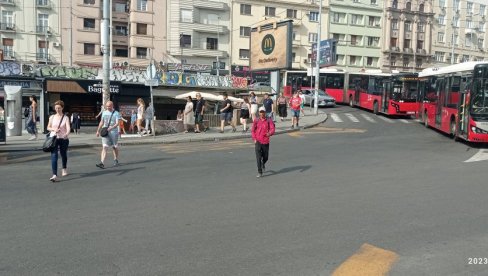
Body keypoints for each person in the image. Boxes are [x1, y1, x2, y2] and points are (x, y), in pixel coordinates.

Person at [46, 100, 71, 182]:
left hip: (63, 139)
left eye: (59, 108)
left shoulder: (66, 117)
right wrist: (54, 129)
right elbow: (48, 127)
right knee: (54, 156)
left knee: (63, 154)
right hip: (54, 138)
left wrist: (66, 134)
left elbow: (68, 128)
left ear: (62, 108)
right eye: (56, 108)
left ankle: (64, 168)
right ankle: (54, 175)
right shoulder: (52, 117)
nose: (57, 109)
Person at [96, 101, 121, 169]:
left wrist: (111, 128)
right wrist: (98, 130)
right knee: (104, 147)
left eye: (109, 106)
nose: (108, 107)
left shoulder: (116, 113)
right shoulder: (104, 112)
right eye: (107, 106)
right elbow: (101, 122)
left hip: (114, 132)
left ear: (112, 105)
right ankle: (102, 163)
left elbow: (117, 123)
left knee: (114, 147)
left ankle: (115, 159)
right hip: (105, 131)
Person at [251, 107, 275, 178]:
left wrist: (269, 133)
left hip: (265, 141)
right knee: (258, 157)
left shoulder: (269, 120)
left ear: (265, 112)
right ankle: (259, 171)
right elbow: (253, 130)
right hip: (258, 141)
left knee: (266, 157)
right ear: (259, 112)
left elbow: (272, 128)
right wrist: (254, 138)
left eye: (263, 112)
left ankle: (263, 163)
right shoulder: (256, 120)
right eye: (260, 112)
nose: (262, 113)